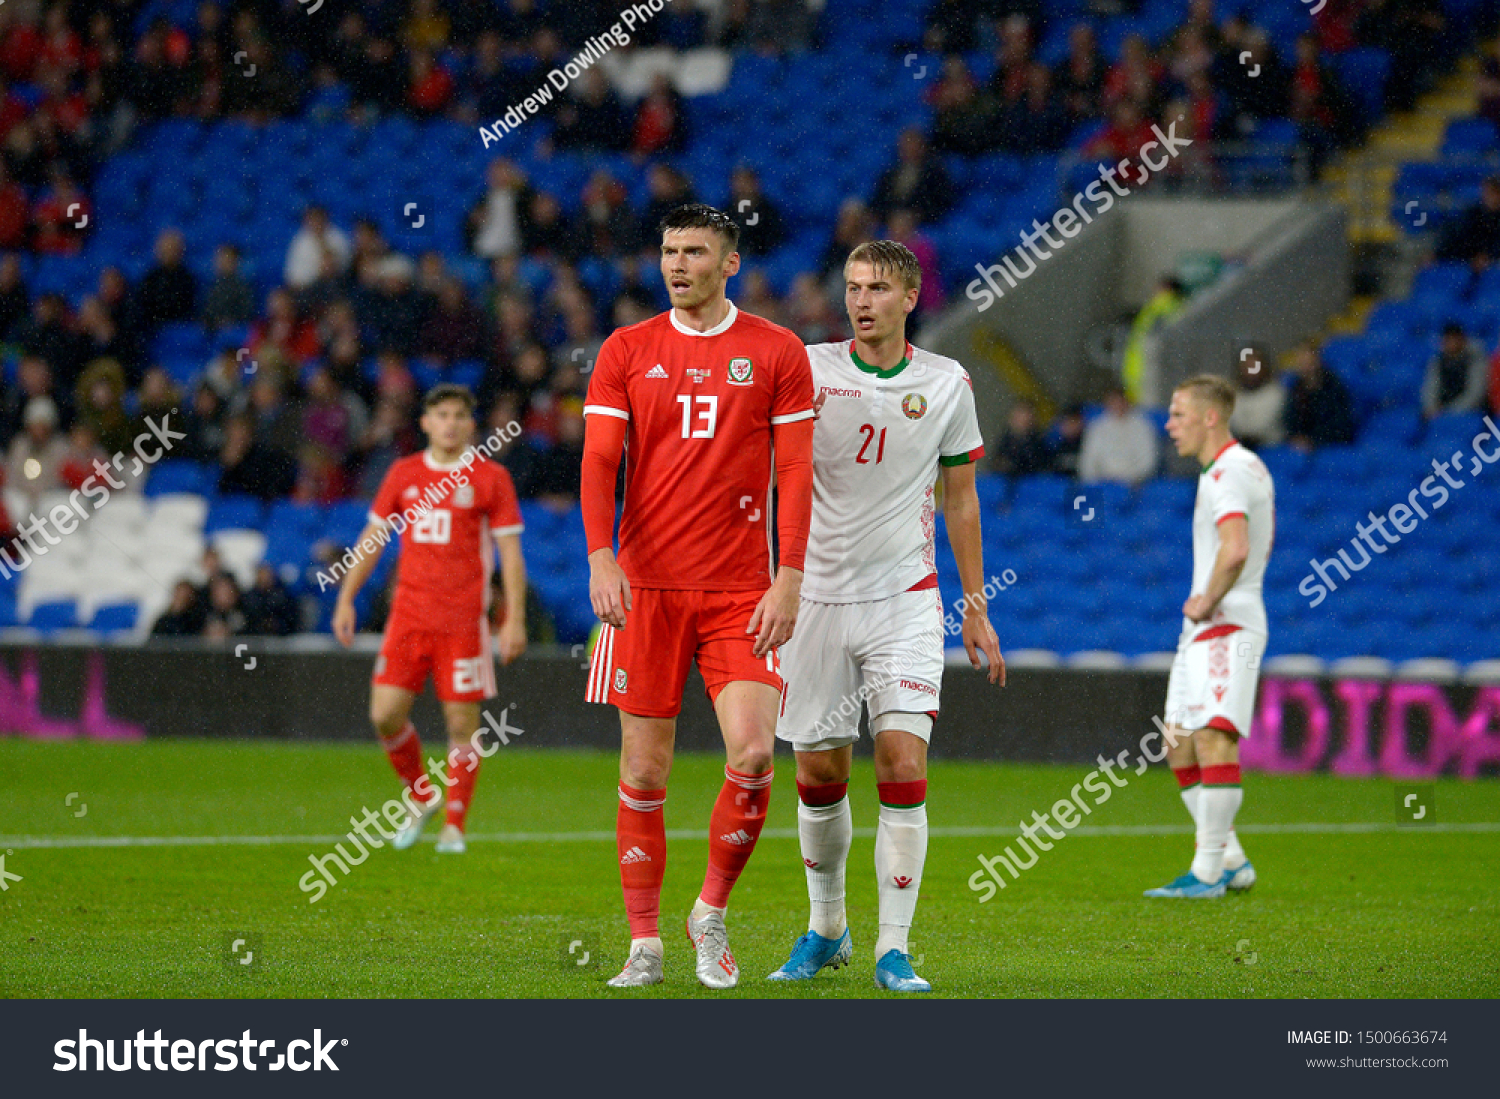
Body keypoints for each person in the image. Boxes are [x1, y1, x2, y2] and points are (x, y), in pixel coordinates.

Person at [580, 204, 814, 989]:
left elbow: (795, 474)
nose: (678, 264)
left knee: (752, 754)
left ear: (731, 263)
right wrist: (599, 555)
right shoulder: (627, 348)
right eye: (669, 251)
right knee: (645, 772)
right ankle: (644, 942)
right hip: (643, 588)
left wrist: (790, 575)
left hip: (742, 590)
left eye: (695, 252)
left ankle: (708, 912)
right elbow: (599, 460)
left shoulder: (776, 351)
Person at [767, 241, 1005, 993]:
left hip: (905, 600)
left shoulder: (946, 384)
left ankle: (892, 949)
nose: (860, 300)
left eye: (876, 288)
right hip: (815, 602)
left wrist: (975, 606)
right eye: (852, 287)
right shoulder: (808, 368)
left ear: (909, 297)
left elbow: (961, 497)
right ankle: (827, 927)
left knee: (903, 762)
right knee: (818, 769)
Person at [333, 384, 529, 854]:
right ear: (424, 422)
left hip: (463, 623)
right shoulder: (403, 474)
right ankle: (422, 796)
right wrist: (346, 596)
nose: (450, 423)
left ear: (470, 424)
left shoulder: (490, 477)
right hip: (408, 619)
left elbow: (511, 554)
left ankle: (455, 825)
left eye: (459, 416)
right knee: (384, 715)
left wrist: (514, 618)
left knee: (462, 723)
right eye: (441, 414)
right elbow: (373, 538)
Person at [1148, 374, 1274, 899]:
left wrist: (1206, 597)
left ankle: (1206, 874)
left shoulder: (1228, 472)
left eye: (1178, 414)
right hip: (1202, 631)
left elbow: (1236, 547)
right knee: (1176, 740)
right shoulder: (1226, 470)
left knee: (1213, 736)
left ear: (1209, 417)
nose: (1170, 424)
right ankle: (1232, 859)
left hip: (1225, 622)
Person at [1078, 387, 1157, 485]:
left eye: (1120, 402)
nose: (1117, 406)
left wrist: (1131, 479)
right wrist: (1094, 482)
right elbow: (1088, 460)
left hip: (1134, 484)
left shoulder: (1143, 426)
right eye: (1113, 402)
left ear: (1126, 402)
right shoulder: (1096, 427)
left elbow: (1148, 460)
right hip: (1102, 483)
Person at [1283, 342, 1355, 450]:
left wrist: (1313, 441)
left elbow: (1341, 424)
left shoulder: (1333, 387)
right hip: (1303, 445)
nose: (1304, 365)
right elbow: (1291, 420)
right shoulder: (1296, 388)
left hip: (1329, 443)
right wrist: (1295, 437)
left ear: (1317, 361)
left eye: (1307, 360)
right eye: (1301, 360)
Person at [1422, 322, 1487, 419]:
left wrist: (1450, 411)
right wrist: (1431, 407)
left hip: (1467, 412)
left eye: (1454, 339)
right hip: (1441, 411)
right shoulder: (1438, 362)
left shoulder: (1475, 359)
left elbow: (1475, 393)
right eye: (1448, 339)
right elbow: (1430, 388)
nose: (1451, 343)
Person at [1229, 345, 1286, 450]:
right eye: (1246, 366)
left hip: (1270, 449)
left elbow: (1260, 428)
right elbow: (1235, 425)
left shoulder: (1275, 393)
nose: (1250, 370)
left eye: (1254, 365)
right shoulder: (1234, 394)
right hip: (1241, 447)